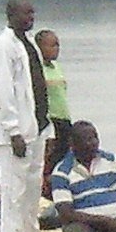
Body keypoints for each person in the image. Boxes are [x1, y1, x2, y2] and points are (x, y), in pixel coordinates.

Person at [0, 0, 51, 232]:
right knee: (14, 186)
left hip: (36, 126)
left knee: (33, 184)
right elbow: (5, 89)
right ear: (11, 15)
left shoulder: (28, 44)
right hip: (16, 131)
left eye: (33, 12)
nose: (31, 17)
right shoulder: (5, 45)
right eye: (26, 13)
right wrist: (13, 130)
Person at [36, 28, 71, 173]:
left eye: (58, 45)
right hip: (51, 121)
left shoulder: (56, 67)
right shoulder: (37, 69)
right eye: (52, 45)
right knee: (50, 161)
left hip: (64, 119)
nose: (56, 49)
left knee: (64, 159)